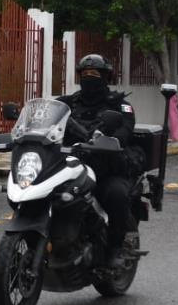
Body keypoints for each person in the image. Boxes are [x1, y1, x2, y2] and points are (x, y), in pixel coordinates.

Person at [58, 54, 137, 269]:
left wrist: (104, 140)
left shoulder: (120, 106)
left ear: (105, 76)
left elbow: (124, 133)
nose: (89, 78)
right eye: (85, 74)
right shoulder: (66, 104)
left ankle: (115, 249)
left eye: (95, 74)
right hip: (69, 166)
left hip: (106, 168)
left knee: (116, 195)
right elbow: (46, 119)